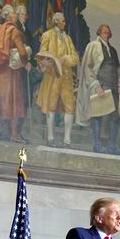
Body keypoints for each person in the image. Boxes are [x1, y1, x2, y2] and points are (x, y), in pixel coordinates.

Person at [76, 24, 120, 155]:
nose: (106, 34)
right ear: (99, 33)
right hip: (101, 86)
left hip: (113, 87)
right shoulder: (93, 46)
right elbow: (88, 68)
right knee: (97, 115)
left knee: (115, 117)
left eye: (108, 33)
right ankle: (97, 145)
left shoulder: (113, 50)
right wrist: (96, 86)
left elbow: (118, 70)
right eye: (104, 32)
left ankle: (112, 146)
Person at [0, 4, 32, 143]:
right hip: (10, 72)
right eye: (13, 14)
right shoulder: (14, 31)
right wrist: (26, 63)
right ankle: (13, 133)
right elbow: (22, 52)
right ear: (8, 16)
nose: (16, 16)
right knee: (14, 101)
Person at [36, 12, 80, 148]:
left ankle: (67, 139)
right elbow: (41, 55)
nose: (64, 23)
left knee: (69, 107)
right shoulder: (47, 35)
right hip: (52, 76)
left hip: (66, 77)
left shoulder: (67, 38)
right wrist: (51, 61)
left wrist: (64, 59)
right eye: (63, 21)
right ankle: (50, 138)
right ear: (57, 22)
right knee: (51, 105)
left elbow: (75, 58)